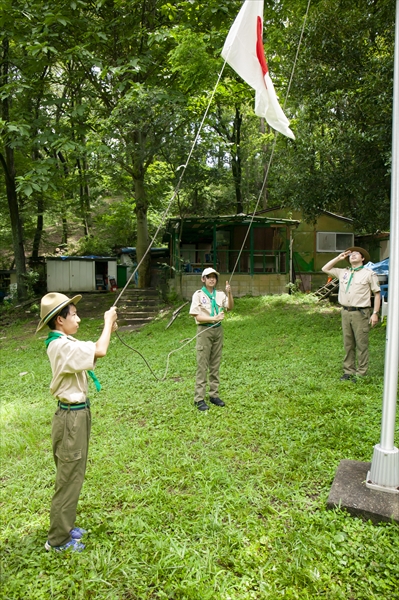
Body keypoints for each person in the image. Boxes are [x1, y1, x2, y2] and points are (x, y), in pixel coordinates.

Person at [36, 292, 117, 552]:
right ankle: (58, 540)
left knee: (74, 473)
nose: (78, 319)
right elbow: (100, 349)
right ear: (60, 320)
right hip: (71, 417)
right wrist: (107, 322)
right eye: (74, 315)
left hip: (77, 414)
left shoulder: (65, 342)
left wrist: (109, 329)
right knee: (69, 477)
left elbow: (92, 353)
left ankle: (66, 527)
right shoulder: (60, 345)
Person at [322, 246, 380, 381]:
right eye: (350, 254)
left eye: (356, 254)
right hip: (345, 311)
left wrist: (375, 313)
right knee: (348, 343)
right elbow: (325, 269)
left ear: (363, 258)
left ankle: (361, 372)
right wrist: (339, 257)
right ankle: (349, 370)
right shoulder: (343, 272)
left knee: (361, 343)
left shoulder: (368, 273)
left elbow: (377, 294)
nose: (352, 255)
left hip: (361, 313)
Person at [189, 267, 234, 411]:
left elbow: (230, 307)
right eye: (208, 277)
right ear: (203, 279)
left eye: (214, 277)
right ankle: (199, 399)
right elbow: (196, 316)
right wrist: (212, 318)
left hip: (218, 331)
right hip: (204, 330)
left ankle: (214, 395)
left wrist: (229, 292)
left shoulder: (220, 294)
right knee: (202, 364)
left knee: (215, 364)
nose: (211, 279)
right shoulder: (198, 294)